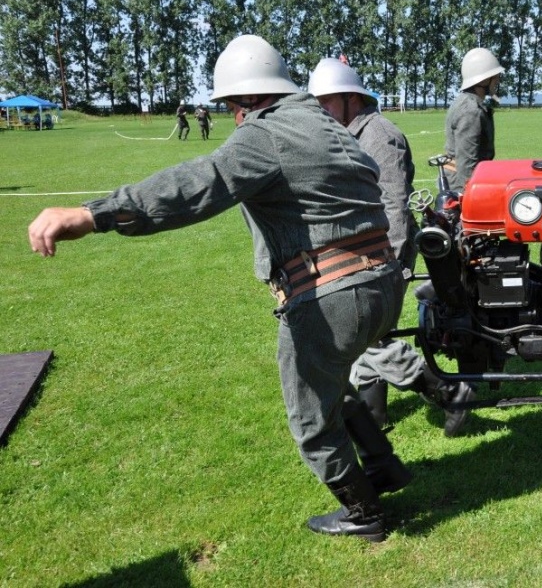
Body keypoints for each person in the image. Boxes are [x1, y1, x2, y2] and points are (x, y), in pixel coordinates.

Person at [27, 34, 411, 543]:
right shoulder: (327, 124)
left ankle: (365, 513)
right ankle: (384, 466)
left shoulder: (266, 134)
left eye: (231, 106)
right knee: (334, 386)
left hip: (333, 295)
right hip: (381, 283)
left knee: (311, 418)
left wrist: (93, 214)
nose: (233, 116)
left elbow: (199, 183)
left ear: (244, 100)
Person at [307, 57, 476, 438]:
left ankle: (448, 391)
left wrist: (392, 262)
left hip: (380, 252)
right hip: (357, 252)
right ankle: (374, 415)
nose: (322, 110)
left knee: (362, 336)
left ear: (351, 98)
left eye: (327, 102)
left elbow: (394, 205)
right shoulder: (351, 133)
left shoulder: (380, 135)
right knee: (367, 337)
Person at [443, 47, 504, 192]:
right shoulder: (471, 111)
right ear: (484, 80)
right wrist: (469, 197)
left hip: (464, 180)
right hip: (462, 184)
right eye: (494, 76)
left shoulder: (468, 103)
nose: (497, 80)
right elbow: (466, 164)